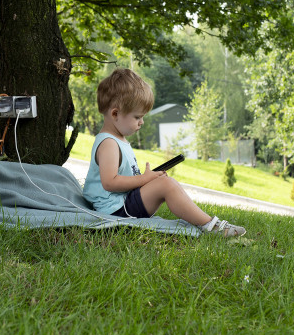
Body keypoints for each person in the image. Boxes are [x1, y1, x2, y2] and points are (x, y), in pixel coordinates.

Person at [82, 68, 246, 237]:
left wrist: (147, 181)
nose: (142, 122)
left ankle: (208, 223)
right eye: (137, 117)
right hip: (115, 212)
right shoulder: (108, 143)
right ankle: (211, 227)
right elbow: (109, 182)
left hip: (123, 204)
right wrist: (144, 179)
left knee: (166, 183)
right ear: (115, 113)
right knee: (166, 185)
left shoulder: (118, 139)